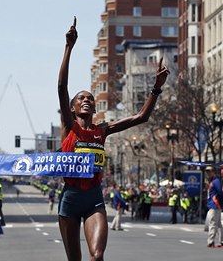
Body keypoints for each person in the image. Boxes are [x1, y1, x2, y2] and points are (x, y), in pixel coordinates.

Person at [57, 17, 169, 261]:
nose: (86, 100)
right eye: (81, 98)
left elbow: (142, 116)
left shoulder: (102, 130)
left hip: (94, 198)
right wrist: (69, 48)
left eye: (90, 98)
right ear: (72, 108)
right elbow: (61, 86)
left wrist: (156, 88)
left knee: (97, 256)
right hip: (70, 199)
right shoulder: (69, 127)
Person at [205, 167, 223, 248]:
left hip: (215, 204)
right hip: (214, 204)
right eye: (207, 172)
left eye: (209, 172)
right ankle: (222, 242)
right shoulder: (213, 181)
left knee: (212, 223)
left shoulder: (216, 181)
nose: (208, 174)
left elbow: (220, 192)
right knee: (218, 224)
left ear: (214, 172)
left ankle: (211, 241)